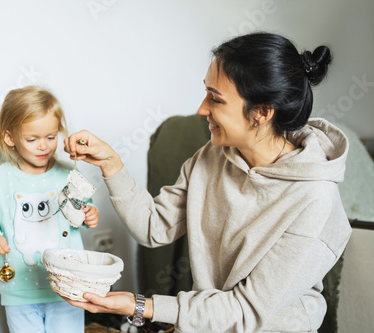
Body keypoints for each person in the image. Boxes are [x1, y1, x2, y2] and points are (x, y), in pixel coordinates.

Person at [62, 32, 352, 332]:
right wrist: (112, 165)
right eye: (206, 93)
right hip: (205, 324)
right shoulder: (213, 156)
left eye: (215, 99)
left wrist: (141, 307)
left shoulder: (314, 198)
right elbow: (154, 226)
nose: (202, 109)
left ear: (263, 112)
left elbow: (245, 311)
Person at [0, 86, 99, 333]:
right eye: (32, 139)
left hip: (67, 286)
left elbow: (80, 208)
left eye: (51, 137)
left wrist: (88, 215)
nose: (43, 146)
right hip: (19, 289)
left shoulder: (67, 173)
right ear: (10, 138)